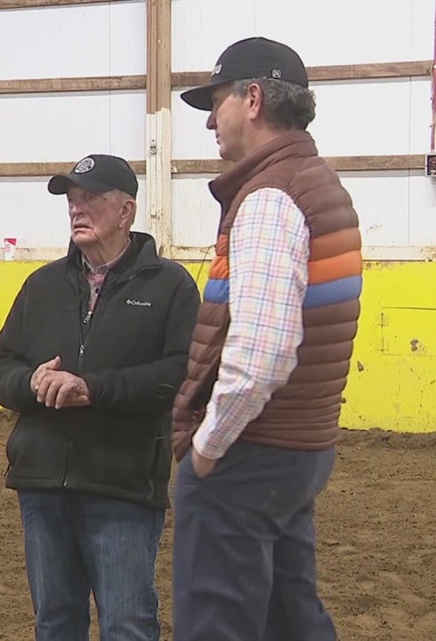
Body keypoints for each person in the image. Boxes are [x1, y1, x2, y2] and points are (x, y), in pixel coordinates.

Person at [169, 37, 363, 640]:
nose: (209, 118)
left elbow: (262, 353)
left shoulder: (269, 197)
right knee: (291, 618)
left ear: (252, 99)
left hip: (249, 453)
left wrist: (207, 449)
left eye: (218, 99)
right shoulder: (317, 183)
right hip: (299, 449)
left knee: (218, 624)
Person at [0, 154, 200, 641]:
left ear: (126, 211)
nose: (77, 209)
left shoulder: (170, 286)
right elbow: (2, 367)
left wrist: (93, 389)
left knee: (127, 624)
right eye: (72, 200)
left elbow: (183, 372)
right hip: (42, 482)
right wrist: (31, 382)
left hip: (121, 483)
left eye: (91, 199)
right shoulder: (41, 285)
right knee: (56, 623)